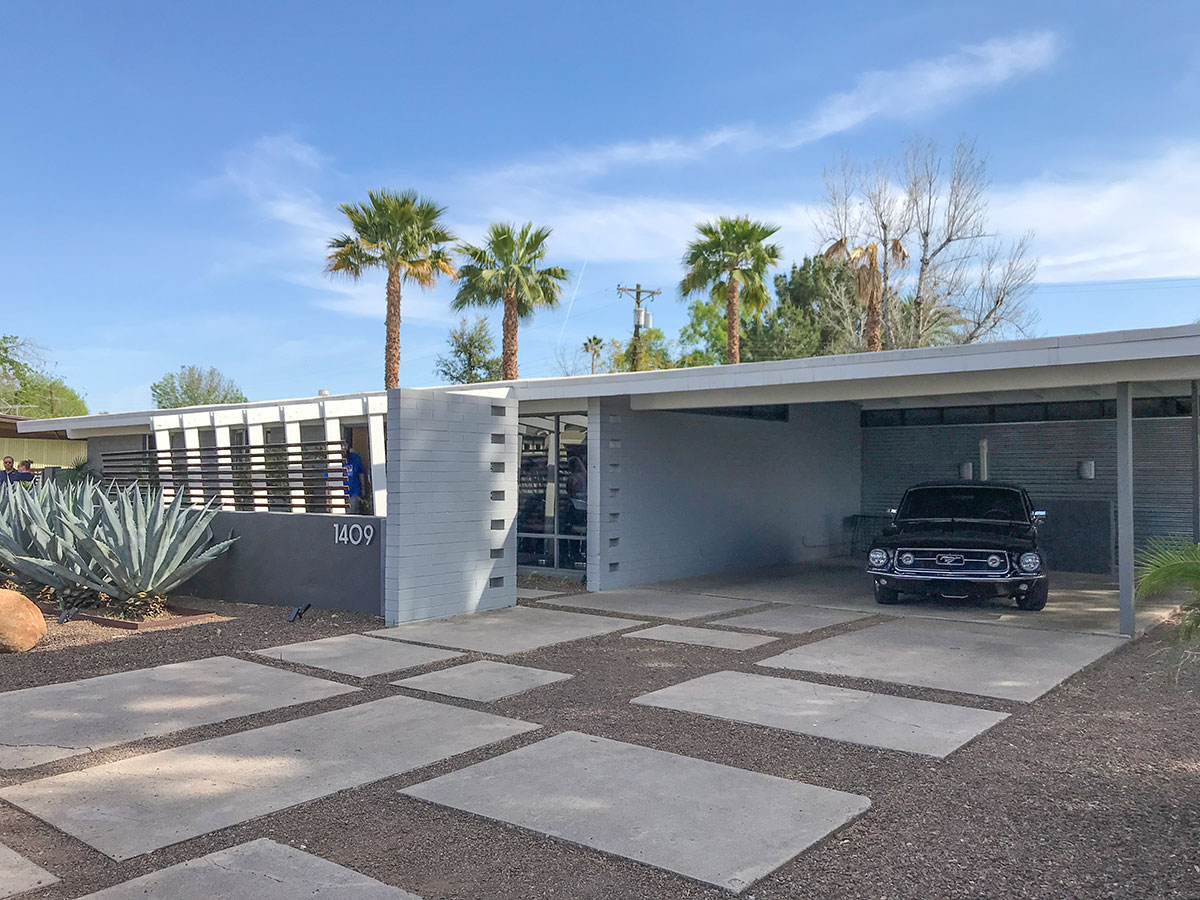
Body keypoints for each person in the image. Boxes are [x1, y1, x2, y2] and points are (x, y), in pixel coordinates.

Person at [342, 442, 366, 514]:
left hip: (353, 493)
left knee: (352, 516)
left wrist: (363, 489)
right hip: (339, 494)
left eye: (344, 445)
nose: (343, 448)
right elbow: (327, 478)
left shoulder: (355, 458)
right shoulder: (333, 460)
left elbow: (361, 473)